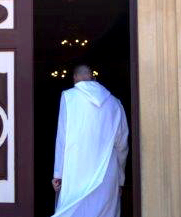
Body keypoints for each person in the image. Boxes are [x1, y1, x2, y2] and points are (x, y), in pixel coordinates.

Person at [51, 65, 129, 217]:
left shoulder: (69, 97)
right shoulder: (115, 103)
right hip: (107, 171)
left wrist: (58, 173)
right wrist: (120, 179)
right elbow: (122, 145)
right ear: (93, 77)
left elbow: (62, 137)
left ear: (74, 78)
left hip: (75, 170)